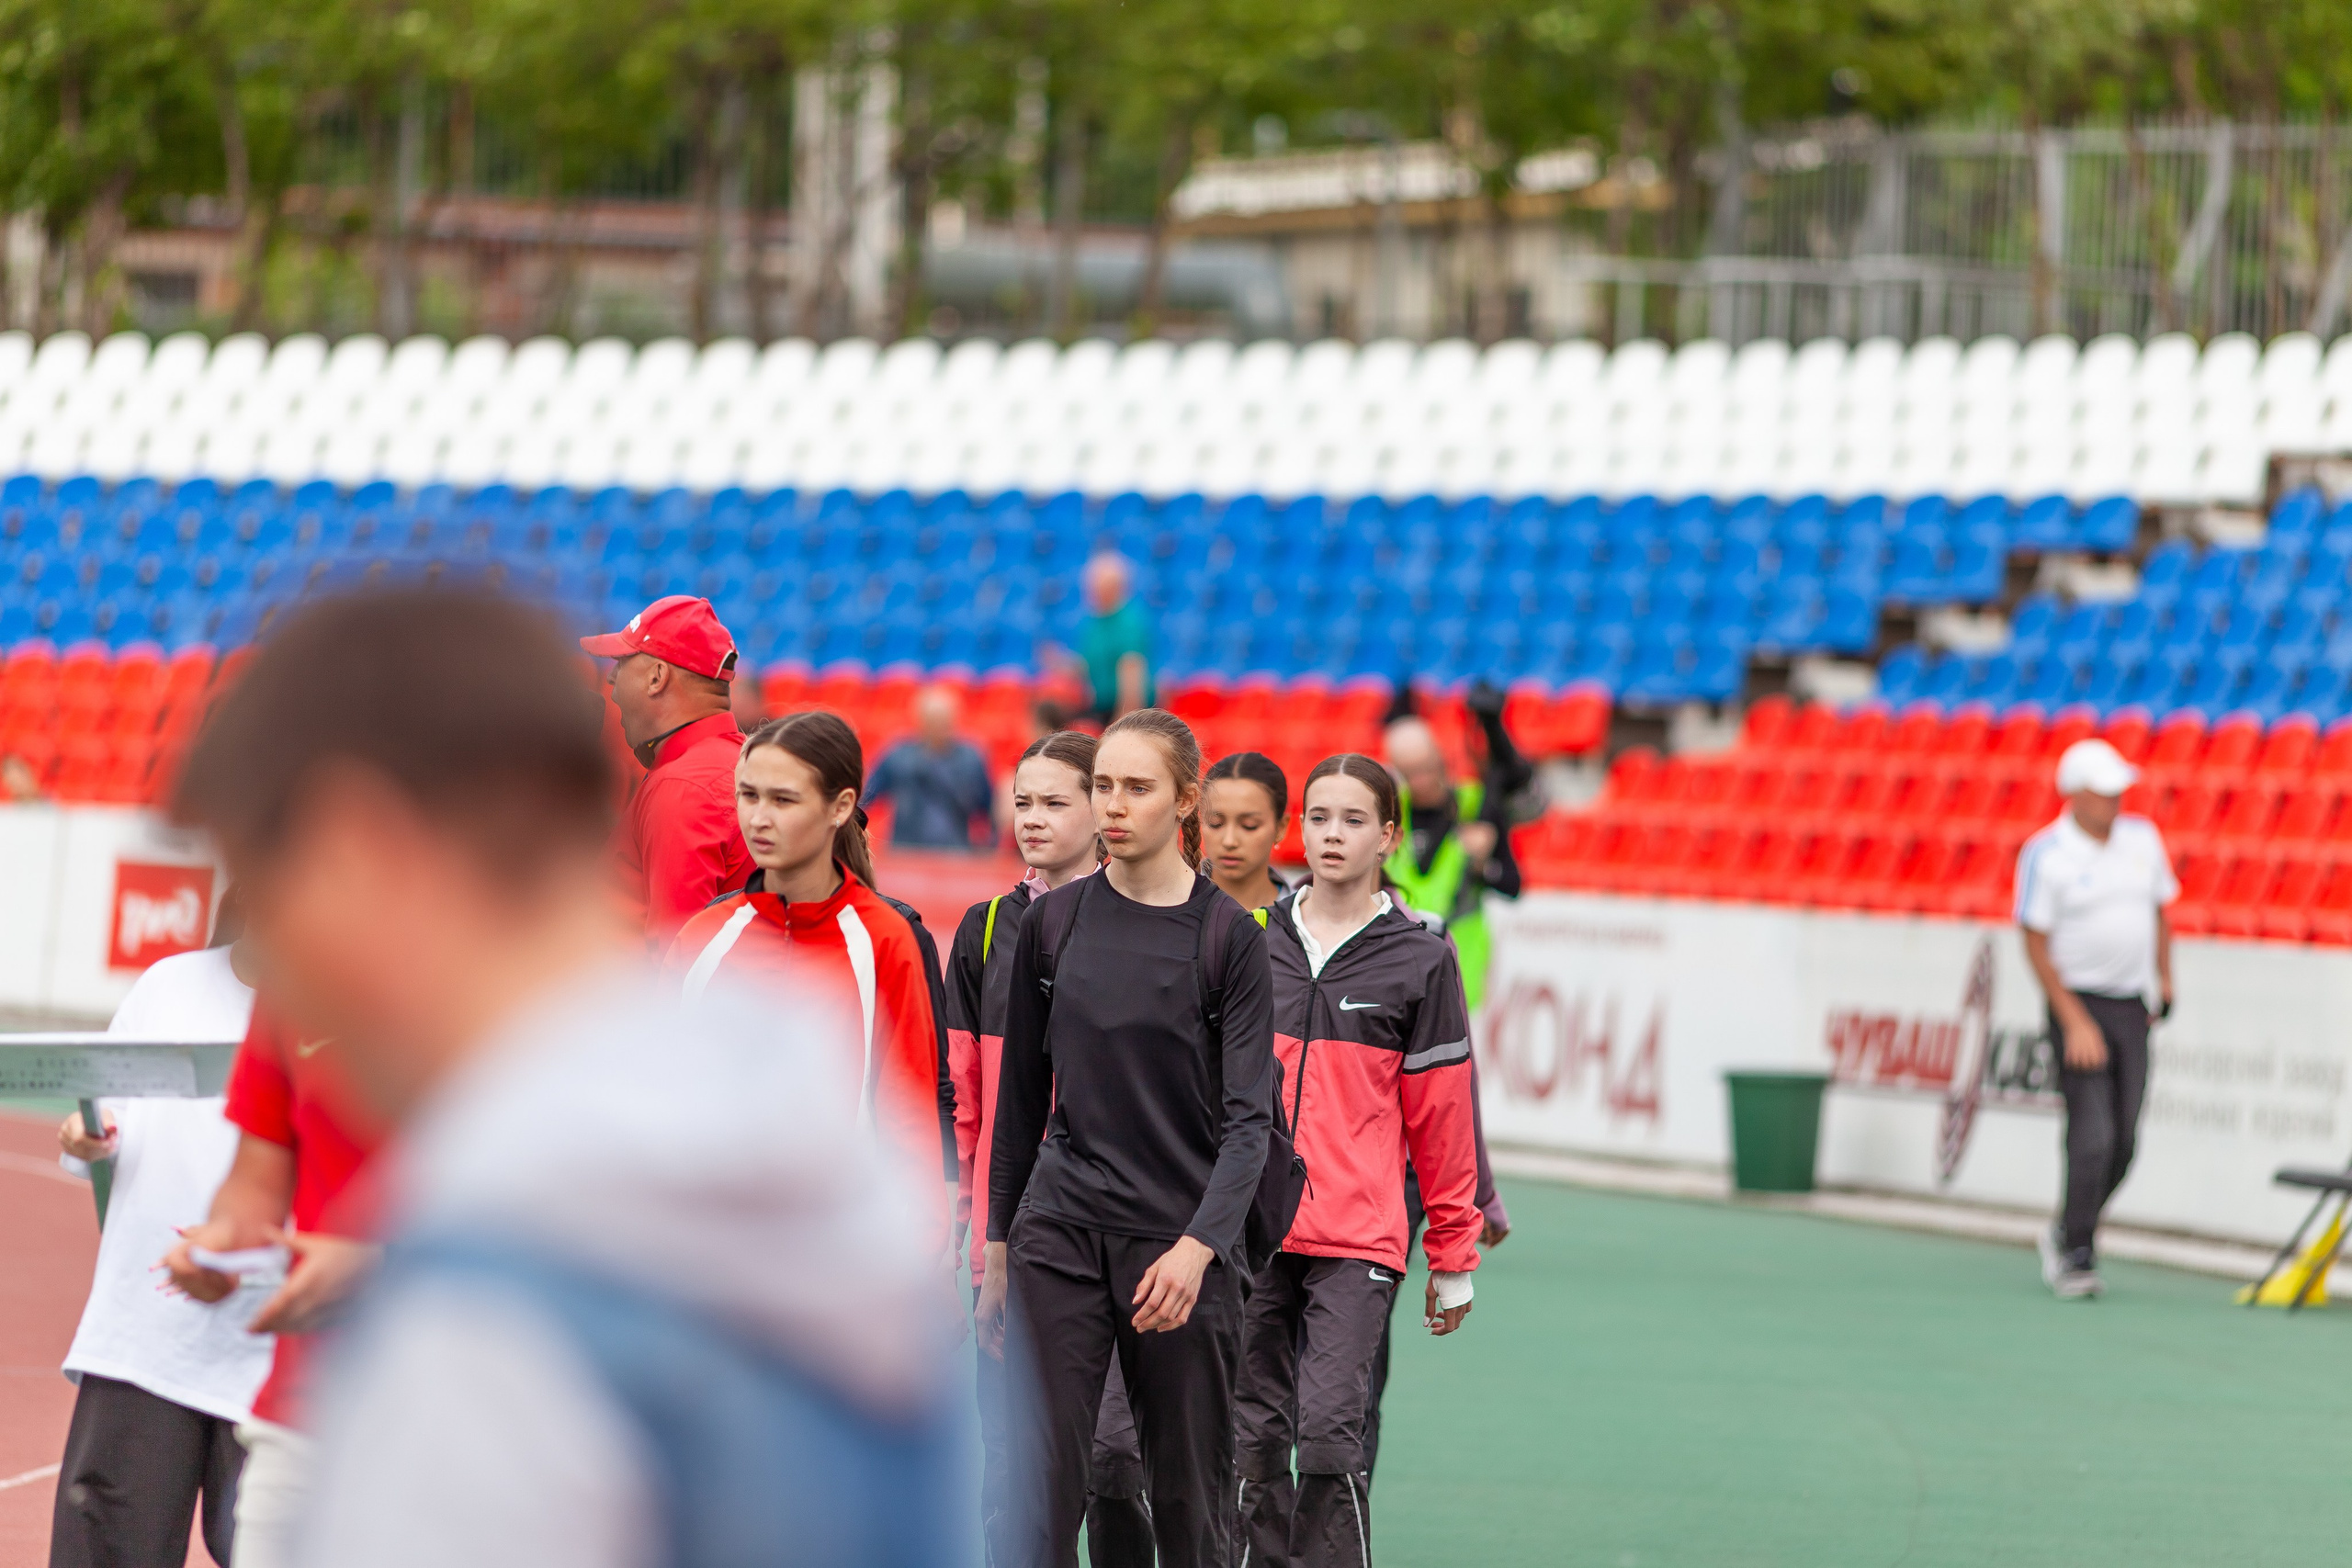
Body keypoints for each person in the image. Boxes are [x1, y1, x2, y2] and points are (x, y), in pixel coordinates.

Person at [168, 586, 970, 1567]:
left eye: (275, 900)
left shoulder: (502, 1286)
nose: (274, 966)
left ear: (356, 848)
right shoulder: (789, 1147)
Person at [978, 708, 1272, 1568]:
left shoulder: (1229, 937)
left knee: (1190, 1503)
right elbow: (1022, 1104)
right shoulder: (1052, 922)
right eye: (1103, 784)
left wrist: (1198, 1251)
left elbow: (1251, 1125)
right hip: (1060, 1234)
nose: (1114, 804)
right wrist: (999, 1244)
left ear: (1186, 800)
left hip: (1180, 1251)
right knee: (1037, 1494)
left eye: (1136, 787)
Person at [1237, 754, 1486, 1568]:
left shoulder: (1421, 956)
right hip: (1248, 1234)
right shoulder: (1250, 937)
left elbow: (1442, 1118)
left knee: (1331, 1435)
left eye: (1351, 819)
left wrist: (1453, 1253)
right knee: (1251, 1435)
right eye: (1316, 817)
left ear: (1389, 836)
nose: (1330, 834)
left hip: (1359, 1236)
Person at [947, 730, 1144, 1567]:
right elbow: (964, 1093)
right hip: (1011, 1228)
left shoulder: (1153, 925)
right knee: (1014, 1459)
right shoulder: (987, 928)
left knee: (1115, 1462)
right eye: (1022, 801)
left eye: (1055, 801)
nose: (1032, 818)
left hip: (1121, 1228)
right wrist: (972, 1217)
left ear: (1102, 810)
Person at [50, 908, 269, 1568]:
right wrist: (90, 1131)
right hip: (144, 1338)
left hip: (275, 1350)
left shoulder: (356, 1010)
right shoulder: (169, 985)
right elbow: (108, 1113)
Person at [665, 711, 952, 1202]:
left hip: (836, 1250)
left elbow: (913, 1113)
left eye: (783, 800)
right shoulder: (703, 935)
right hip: (704, 1246)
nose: (759, 818)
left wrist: (925, 1249)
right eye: (748, 795)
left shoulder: (887, 938)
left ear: (840, 807)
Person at [158, 996, 385, 1568]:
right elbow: (255, 1181)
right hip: (299, 1421)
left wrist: (389, 1268)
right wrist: (221, 1244)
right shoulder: (301, 971)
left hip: (482, 1433)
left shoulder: (549, 966)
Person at [2017, 737, 2177, 1301]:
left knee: (2125, 1139)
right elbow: (2035, 942)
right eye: (2104, 791)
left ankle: (2067, 1226)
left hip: (2131, 1004)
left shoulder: (2143, 839)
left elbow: (2160, 912)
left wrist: (2166, 979)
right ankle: (2077, 1252)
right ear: (2076, 795)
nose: (2115, 801)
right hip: (2078, 1004)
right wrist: (2073, 1020)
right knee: (2092, 1134)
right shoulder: (2047, 853)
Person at [581, 593, 752, 947]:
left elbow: (675, 959)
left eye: (623, 662)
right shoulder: (727, 760)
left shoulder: (683, 784)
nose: (611, 680)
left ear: (657, 677)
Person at [1381, 685, 1532, 1013]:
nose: (1421, 781)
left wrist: (1482, 868)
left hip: (1457, 963)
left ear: (1441, 759)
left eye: (1426, 768)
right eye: (1410, 773)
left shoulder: (1474, 805)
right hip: (1397, 962)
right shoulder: (1390, 813)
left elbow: (1513, 885)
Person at [866, 683, 997, 851]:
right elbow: (868, 795)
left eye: (945, 720)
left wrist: (992, 843)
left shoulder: (971, 758)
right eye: (934, 720)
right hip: (906, 850)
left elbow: (989, 806)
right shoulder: (898, 754)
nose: (940, 727)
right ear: (920, 720)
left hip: (955, 851)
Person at [1204, 750, 1291, 912]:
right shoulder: (1165, 905)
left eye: (1249, 825)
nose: (1229, 841)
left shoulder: (1304, 917)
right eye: (1215, 823)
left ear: (1281, 828)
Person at [1073, 551, 1155, 723]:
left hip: (1120, 711)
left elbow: (1132, 671)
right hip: (1099, 707)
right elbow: (1088, 666)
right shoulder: (1094, 622)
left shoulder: (1128, 623)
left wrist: (1122, 722)